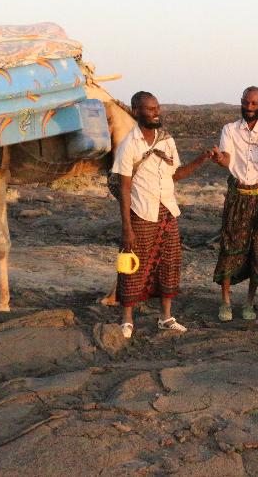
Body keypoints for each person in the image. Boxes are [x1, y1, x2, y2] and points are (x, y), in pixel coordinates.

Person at [113, 91, 211, 339]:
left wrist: (201, 160)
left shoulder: (167, 141)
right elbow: (124, 186)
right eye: (150, 109)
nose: (157, 113)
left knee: (169, 263)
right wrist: (127, 227)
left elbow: (174, 175)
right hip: (141, 212)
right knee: (133, 267)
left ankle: (165, 318)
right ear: (136, 111)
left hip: (167, 211)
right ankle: (126, 320)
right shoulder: (129, 145)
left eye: (157, 108)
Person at [210, 86, 258, 321]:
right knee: (230, 246)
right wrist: (220, 159)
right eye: (246, 103)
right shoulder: (229, 129)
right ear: (241, 102)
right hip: (237, 197)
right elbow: (227, 157)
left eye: (254, 104)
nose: (249, 108)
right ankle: (226, 302)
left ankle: (249, 302)